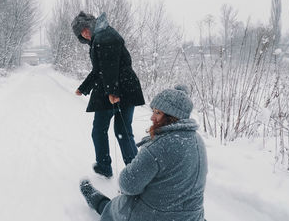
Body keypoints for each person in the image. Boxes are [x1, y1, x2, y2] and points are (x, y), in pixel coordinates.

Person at [79, 84, 208, 221]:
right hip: (193, 217)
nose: (152, 117)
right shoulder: (197, 140)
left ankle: (95, 199)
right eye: (153, 111)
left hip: (155, 216)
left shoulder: (158, 146)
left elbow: (127, 184)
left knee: (116, 207)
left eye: (157, 113)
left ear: (172, 117)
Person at [71, 11, 145, 178]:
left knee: (102, 130)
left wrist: (113, 92)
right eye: (81, 34)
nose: (84, 35)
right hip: (123, 88)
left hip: (117, 90)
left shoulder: (105, 37)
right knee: (123, 130)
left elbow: (110, 68)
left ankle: (108, 166)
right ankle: (136, 172)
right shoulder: (103, 35)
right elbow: (99, 70)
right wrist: (84, 87)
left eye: (83, 31)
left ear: (88, 28)